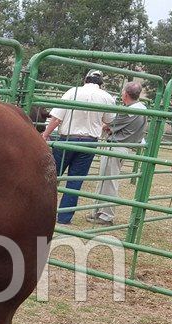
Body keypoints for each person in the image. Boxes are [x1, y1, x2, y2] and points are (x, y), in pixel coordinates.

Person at [42, 69, 116, 224]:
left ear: (85, 80)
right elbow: (109, 120)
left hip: (67, 139)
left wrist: (44, 135)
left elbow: (56, 119)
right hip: (89, 142)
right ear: (100, 83)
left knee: (51, 177)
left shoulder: (72, 92)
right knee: (75, 181)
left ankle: (41, 211)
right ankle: (64, 217)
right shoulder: (106, 97)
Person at [85, 81, 148, 226]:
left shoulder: (127, 111)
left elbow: (108, 126)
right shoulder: (142, 109)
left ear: (125, 94)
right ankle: (99, 212)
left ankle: (106, 215)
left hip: (115, 147)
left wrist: (105, 126)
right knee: (107, 180)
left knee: (109, 181)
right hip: (125, 147)